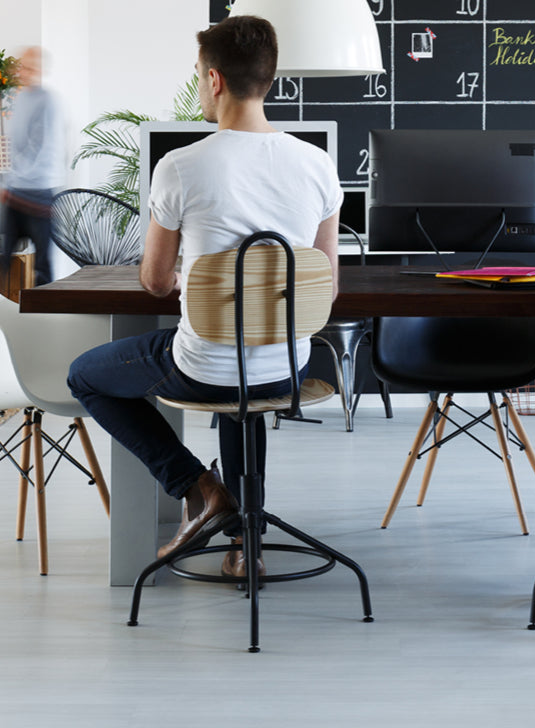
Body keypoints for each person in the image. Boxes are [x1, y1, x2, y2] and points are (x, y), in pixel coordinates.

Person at [67, 16, 342, 577]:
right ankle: (248, 547)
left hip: (205, 366)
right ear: (268, 79)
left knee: (85, 377)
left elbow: (155, 282)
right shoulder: (317, 164)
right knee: (247, 397)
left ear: (214, 80)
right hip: (286, 365)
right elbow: (325, 283)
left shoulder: (181, 165)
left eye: (198, 75)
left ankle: (197, 486)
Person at [0, 46, 66, 286]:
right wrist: (10, 181)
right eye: (22, 66)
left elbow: (39, 145)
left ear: (40, 70)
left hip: (39, 192)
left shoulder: (48, 101)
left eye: (30, 67)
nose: (24, 72)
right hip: (16, 189)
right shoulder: (17, 97)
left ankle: (44, 313)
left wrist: (13, 175)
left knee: (42, 264)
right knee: (3, 257)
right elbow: (16, 143)